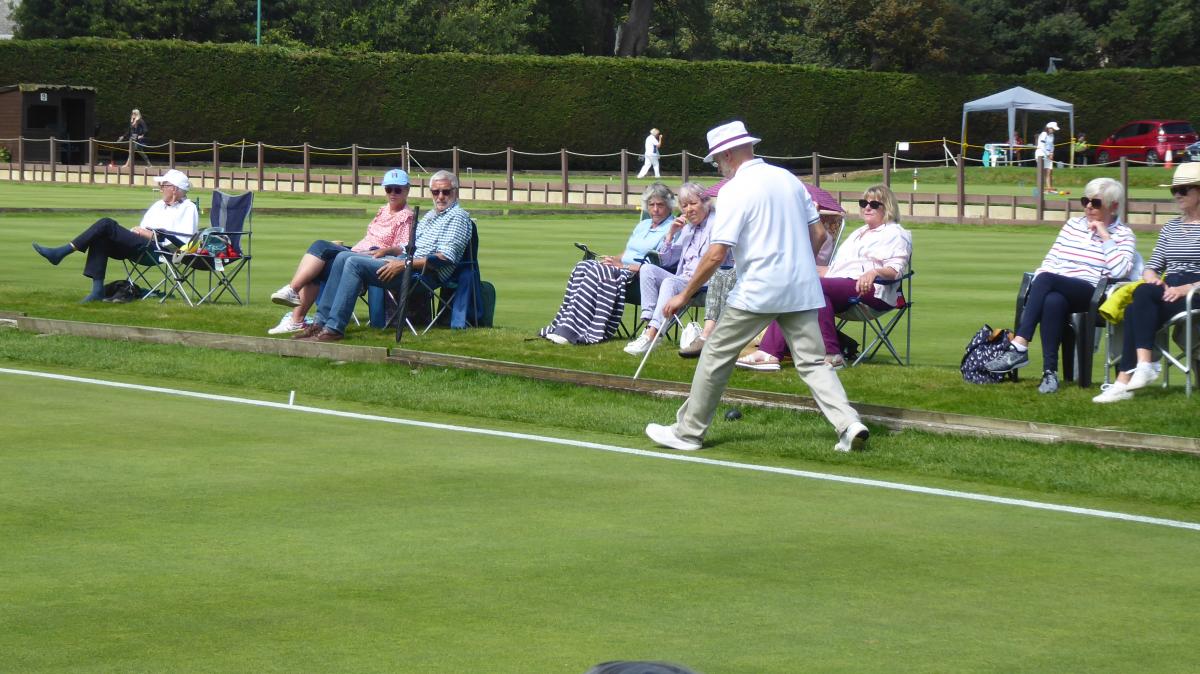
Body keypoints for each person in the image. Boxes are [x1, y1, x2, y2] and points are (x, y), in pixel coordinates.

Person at [645, 120, 869, 453]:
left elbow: (717, 253)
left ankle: (688, 433)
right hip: (802, 287)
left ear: (730, 153)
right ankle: (849, 424)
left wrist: (683, 293)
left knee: (716, 354)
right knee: (811, 362)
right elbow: (820, 234)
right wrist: (798, 268)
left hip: (759, 288)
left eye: (718, 158)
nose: (718, 165)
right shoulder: (789, 180)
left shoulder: (734, 190)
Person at [985, 177, 1137, 393]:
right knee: (1052, 299)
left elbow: (1121, 270)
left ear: (1113, 206)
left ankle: (1019, 345)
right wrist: (1040, 279)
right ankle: (1050, 374)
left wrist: (1105, 235)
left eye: (1096, 203)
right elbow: (1051, 259)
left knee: (1046, 279)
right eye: (1085, 201)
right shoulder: (1073, 225)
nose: (1088, 207)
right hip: (1057, 287)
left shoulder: (1123, 234)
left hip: (1091, 290)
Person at [738, 185, 911, 371]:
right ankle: (771, 353)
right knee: (793, 284)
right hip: (841, 286)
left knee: (815, 288)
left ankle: (828, 353)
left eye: (874, 204)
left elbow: (895, 270)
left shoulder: (896, 233)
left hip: (873, 290)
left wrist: (874, 272)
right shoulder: (859, 233)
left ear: (888, 207)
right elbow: (837, 270)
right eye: (863, 203)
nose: (867, 208)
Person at [293, 170, 471, 342]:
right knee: (342, 258)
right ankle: (320, 323)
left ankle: (334, 329)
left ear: (455, 192)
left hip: (422, 275)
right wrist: (388, 251)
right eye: (436, 192)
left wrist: (403, 264)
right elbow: (410, 245)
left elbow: (445, 258)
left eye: (445, 192)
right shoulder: (432, 215)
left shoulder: (458, 217)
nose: (440, 196)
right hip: (404, 263)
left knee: (353, 263)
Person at [1094, 163, 1200, 403]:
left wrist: (1186, 289)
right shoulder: (1171, 227)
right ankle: (1141, 368)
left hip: (1195, 290)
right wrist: (1151, 276)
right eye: (1175, 190)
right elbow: (1153, 265)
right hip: (1168, 287)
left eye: (1184, 189)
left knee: (1136, 306)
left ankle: (1127, 378)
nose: (1178, 195)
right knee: (1139, 299)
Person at [267, 168, 414, 334]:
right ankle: (297, 320)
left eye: (397, 189)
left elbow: (401, 249)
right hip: (357, 252)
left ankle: (292, 291)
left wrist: (379, 251)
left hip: (367, 258)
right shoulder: (383, 210)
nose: (392, 193)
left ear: (407, 190)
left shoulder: (406, 216)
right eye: (388, 189)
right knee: (316, 266)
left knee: (320, 246)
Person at [32, 168, 198, 302]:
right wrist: (140, 231)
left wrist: (150, 234)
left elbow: (182, 243)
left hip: (157, 252)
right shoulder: (158, 205)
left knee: (106, 224)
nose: (160, 187)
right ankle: (97, 291)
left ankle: (61, 252)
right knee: (101, 237)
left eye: (163, 184)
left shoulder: (188, 208)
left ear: (174, 189)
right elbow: (143, 226)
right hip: (139, 245)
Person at [539, 183, 675, 345]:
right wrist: (613, 260)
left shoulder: (673, 229)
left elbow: (657, 267)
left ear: (669, 206)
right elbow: (628, 252)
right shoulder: (643, 225)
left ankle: (572, 332)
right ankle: (562, 325)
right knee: (583, 266)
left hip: (640, 278)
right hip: (623, 271)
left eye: (660, 205)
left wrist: (621, 267)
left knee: (599, 272)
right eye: (651, 205)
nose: (655, 210)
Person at [623, 182, 728, 355]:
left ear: (706, 202)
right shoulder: (687, 228)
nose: (689, 209)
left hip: (705, 280)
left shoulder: (718, 224)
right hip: (683, 278)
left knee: (670, 282)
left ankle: (653, 336)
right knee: (647, 269)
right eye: (684, 205)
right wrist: (670, 234)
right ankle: (649, 325)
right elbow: (666, 261)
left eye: (693, 203)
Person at [1036, 121, 1059, 192]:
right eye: (1053, 129)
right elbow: (1042, 146)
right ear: (1048, 128)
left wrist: (1051, 153)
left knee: (1049, 171)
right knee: (1042, 172)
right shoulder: (1043, 134)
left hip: (1048, 154)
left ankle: (1049, 188)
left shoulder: (1052, 135)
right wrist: (1048, 154)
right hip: (1041, 153)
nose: (1054, 130)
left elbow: (1052, 145)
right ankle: (1041, 189)